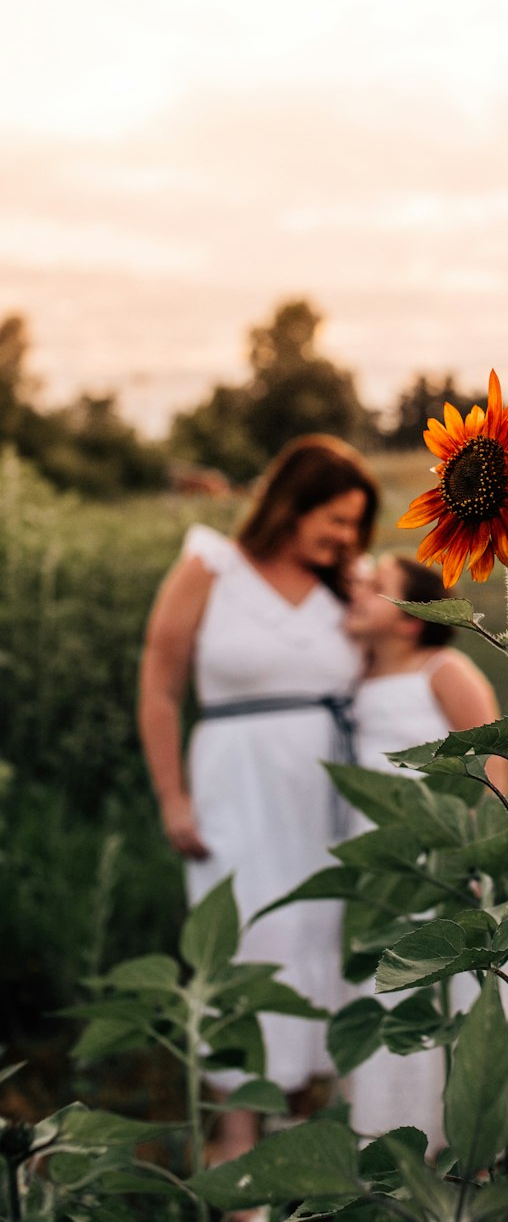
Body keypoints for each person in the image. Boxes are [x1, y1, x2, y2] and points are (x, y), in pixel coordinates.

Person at [138, 434, 379, 1166]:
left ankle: (309, 1135)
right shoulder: (212, 565)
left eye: (355, 526)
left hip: (331, 794)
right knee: (243, 942)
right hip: (233, 786)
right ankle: (236, 1143)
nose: (345, 538)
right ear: (289, 505)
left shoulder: (356, 581)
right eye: (334, 519)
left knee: (325, 941)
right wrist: (172, 796)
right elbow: (159, 682)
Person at [344, 552, 508, 1148]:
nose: (358, 590)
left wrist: (477, 850)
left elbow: (498, 760)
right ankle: (396, 1126)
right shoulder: (357, 674)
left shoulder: (443, 670)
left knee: (449, 974)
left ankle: (473, 1133)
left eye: (376, 587)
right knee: (391, 975)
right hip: (384, 855)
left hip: (446, 856)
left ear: (407, 619)